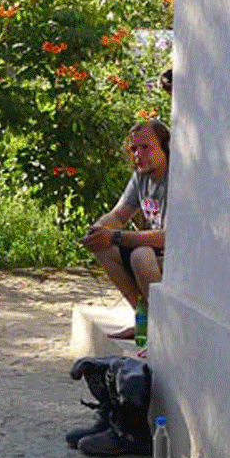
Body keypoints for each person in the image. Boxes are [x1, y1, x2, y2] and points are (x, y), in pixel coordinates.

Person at [79, 120, 169, 343]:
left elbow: (168, 237)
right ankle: (144, 319)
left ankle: (164, 330)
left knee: (141, 255)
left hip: (179, 258)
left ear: (166, 147)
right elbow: (119, 216)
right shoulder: (141, 176)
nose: (138, 155)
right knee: (104, 247)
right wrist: (98, 230)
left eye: (145, 147)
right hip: (158, 252)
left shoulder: (177, 179)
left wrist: (115, 236)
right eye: (133, 149)